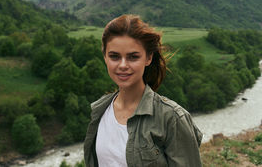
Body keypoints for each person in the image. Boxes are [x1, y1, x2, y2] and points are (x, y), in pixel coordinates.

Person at [84, 14, 203, 167]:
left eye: (133, 57)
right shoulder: (99, 111)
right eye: (114, 56)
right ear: (105, 57)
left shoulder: (171, 118)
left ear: (148, 58)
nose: (122, 65)